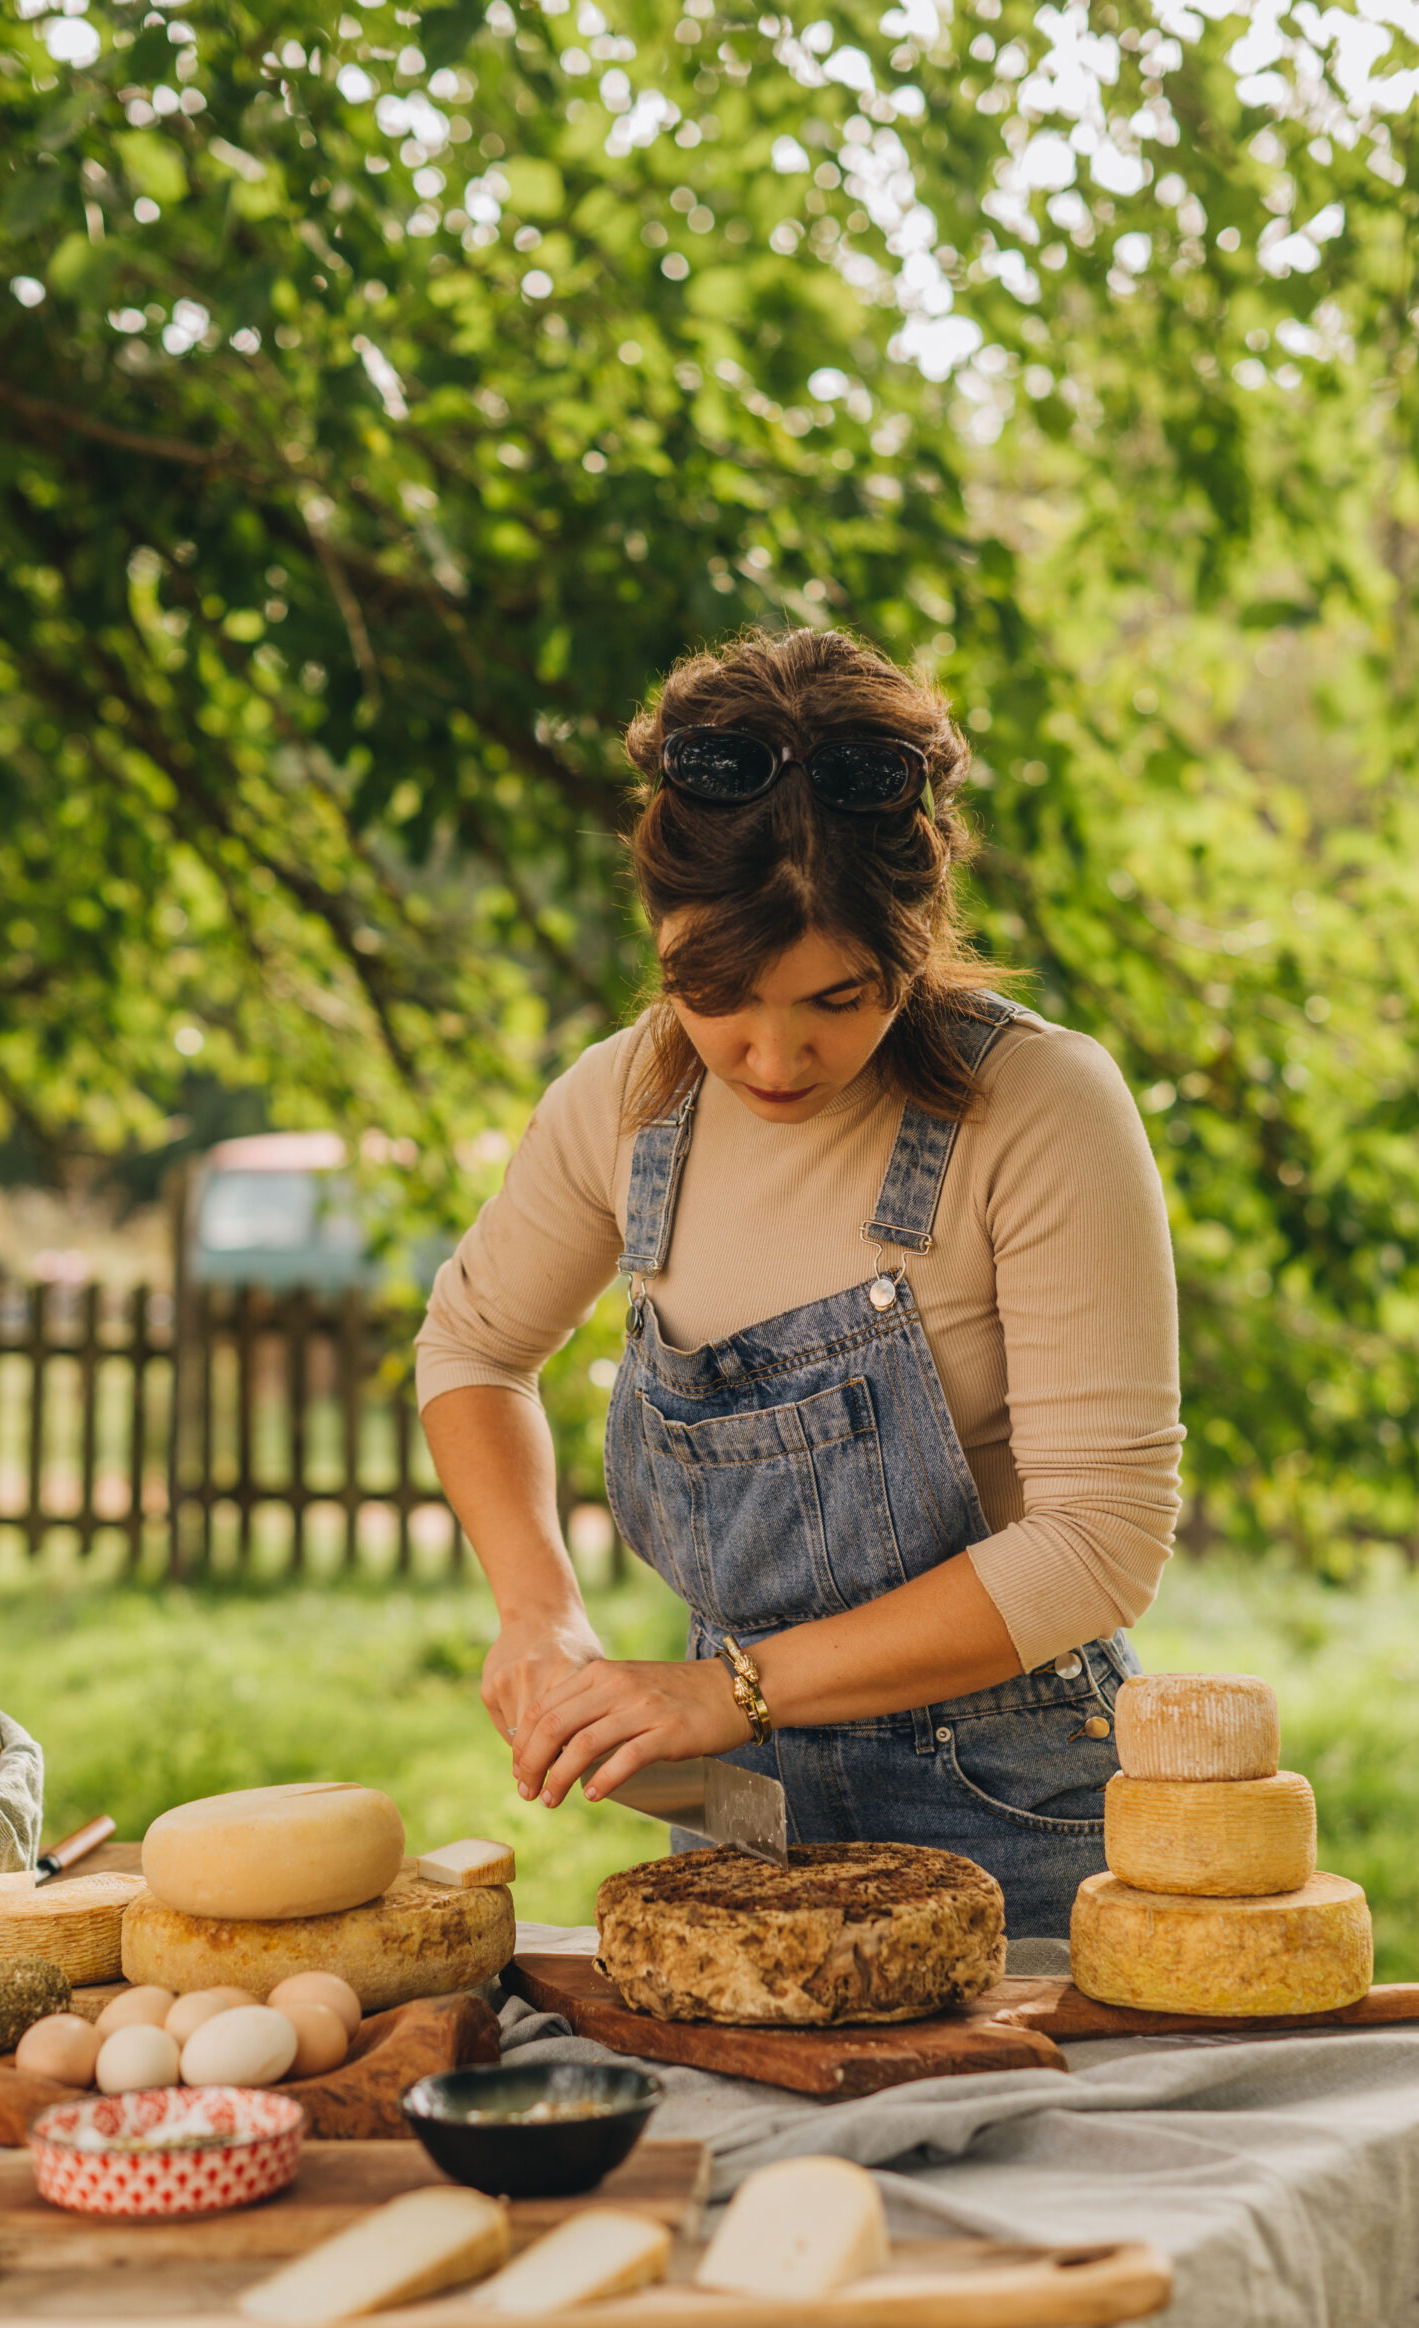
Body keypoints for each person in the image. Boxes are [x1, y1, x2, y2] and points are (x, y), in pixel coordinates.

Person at [417, 626, 1182, 1937]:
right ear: (660, 926)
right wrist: (537, 1614)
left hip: (1011, 1806)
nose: (773, 1056)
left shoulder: (1039, 1107)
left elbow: (1099, 1542)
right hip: (729, 1807)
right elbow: (474, 1350)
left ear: (918, 932)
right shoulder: (620, 1102)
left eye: (838, 997)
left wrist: (735, 1690)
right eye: (715, 992)